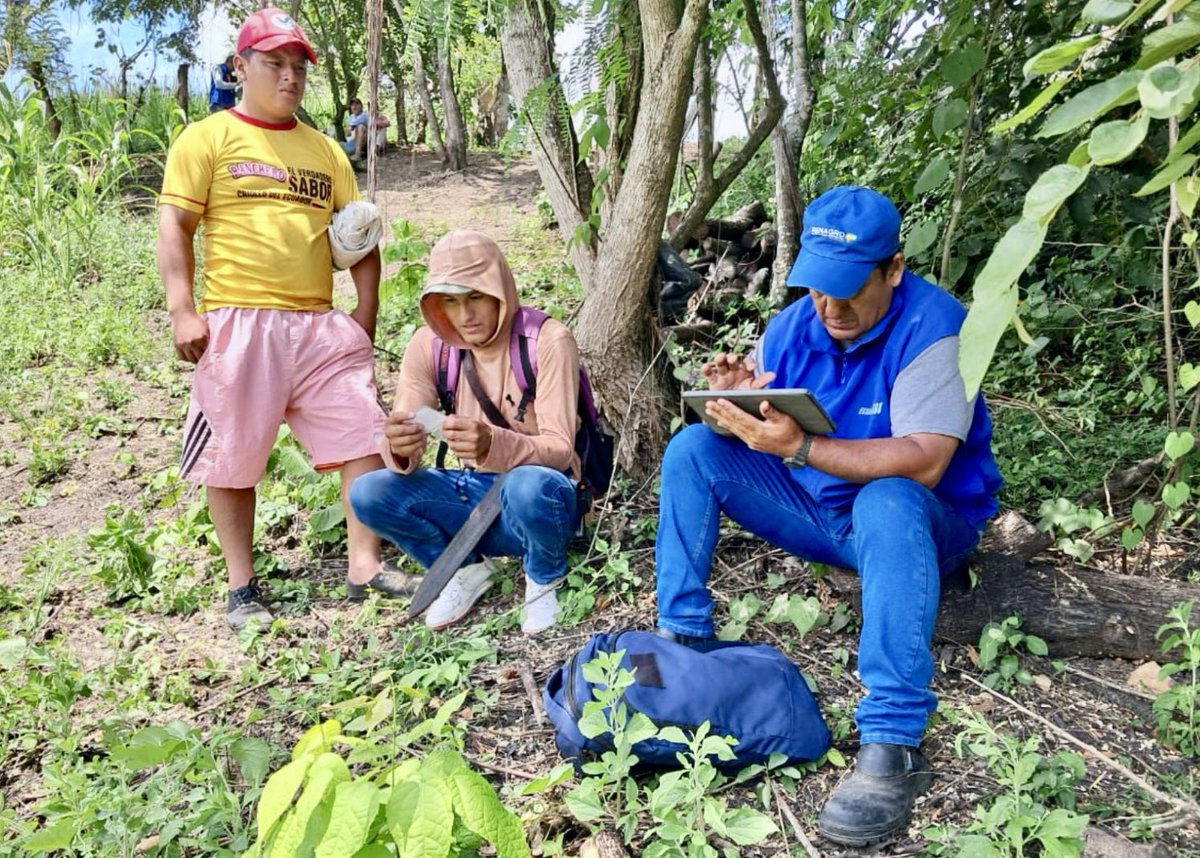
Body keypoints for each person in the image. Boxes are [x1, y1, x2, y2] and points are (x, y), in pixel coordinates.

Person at [653, 185, 1003, 846]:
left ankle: (893, 741)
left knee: (890, 494)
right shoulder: (793, 325)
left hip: (925, 525)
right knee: (694, 449)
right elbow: (771, 423)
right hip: (823, 514)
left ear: (894, 269)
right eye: (817, 287)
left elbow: (926, 461)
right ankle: (684, 642)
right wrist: (738, 407)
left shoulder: (938, 327)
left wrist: (804, 446)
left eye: (848, 289)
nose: (830, 307)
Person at [158, 8, 413, 630]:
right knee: (233, 452)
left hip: (320, 325)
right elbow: (175, 225)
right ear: (240, 67)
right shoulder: (207, 139)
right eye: (275, 63)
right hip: (240, 324)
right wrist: (182, 310)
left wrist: (365, 316)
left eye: (298, 66)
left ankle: (364, 567)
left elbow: (361, 238)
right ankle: (242, 586)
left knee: (362, 433)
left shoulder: (326, 151)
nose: (290, 76)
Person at [349, 229, 589, 636]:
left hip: (542, 503)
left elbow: (561, 450)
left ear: (500, 291)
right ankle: (465, 569)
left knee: (527, 485)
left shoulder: (548, 341)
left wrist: (492, 443)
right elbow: (407, 415)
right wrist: (400, 446)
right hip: (471, 502)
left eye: (476, 296)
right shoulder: (430, 346)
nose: (465, 315)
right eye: (451, 301)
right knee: (368, 492)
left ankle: (545, 575)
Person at [342, 97, 390, 161]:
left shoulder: (366, 115)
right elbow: (348, 131)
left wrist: (378, 124)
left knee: (361, 127)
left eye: (356, 104)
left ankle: (358, 154)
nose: (354, 106)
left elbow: (385, 122)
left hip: (365, 140)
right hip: (352, 140)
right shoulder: (351, 117)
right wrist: (348, 130)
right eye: (352, 105)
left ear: (361, 106)